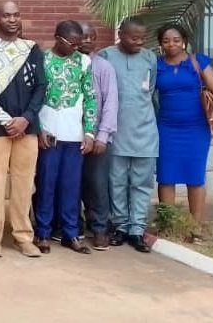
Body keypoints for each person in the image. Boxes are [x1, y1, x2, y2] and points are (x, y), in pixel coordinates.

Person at [0, 1, 46, 257]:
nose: (12, 19)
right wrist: (6, 120)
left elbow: (41, 87)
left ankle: (23, 236)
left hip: (27, 127)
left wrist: (25, 119)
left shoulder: (32, 49)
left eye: (16, 15)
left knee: (24, 183)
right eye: (7, 15)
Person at [155, 23, 213, 235]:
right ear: (161, 44)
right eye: (166, 41)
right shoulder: (157, 64)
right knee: (166, 176)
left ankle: (196, 227)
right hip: (166, 128)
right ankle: (168, 225)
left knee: (195, 176)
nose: (171, 44)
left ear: (184, 42)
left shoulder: (198, 61)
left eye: (176, 40)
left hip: (196, 129)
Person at [33, 20, 96, 255]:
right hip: (49, 132)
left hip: (74, 134)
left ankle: (71, 234)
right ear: (58, 38)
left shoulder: (84, 62)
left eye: (79, 44)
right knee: (46, 185)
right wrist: (38, 128)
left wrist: (89, 132)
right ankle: (42, 232)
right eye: (73, 43)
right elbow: (34, 97)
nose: (77, 48)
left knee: (71, 186)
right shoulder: (42, 59)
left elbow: (91, 97)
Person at [99, 17, 157, 253]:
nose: (139, 42)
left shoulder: (149, 58)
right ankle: (121, 227)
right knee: (117, 182)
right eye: (134, 37)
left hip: (145, 130)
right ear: (120, 34)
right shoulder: (106, 56)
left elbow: (150, 91)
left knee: (142, 183)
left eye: (143, 38)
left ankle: (136, 230)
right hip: (116, 131)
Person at [77, 22, 118, 251]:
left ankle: (100, 228)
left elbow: (110, 103)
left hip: (98, 139)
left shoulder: (103, 67)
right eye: (83, 36)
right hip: (72, 136)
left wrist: (102, 136)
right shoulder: (69, 64)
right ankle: (74, 227)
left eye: (91, 37)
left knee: (97, 184)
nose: (87, 41)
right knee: (73, 184)